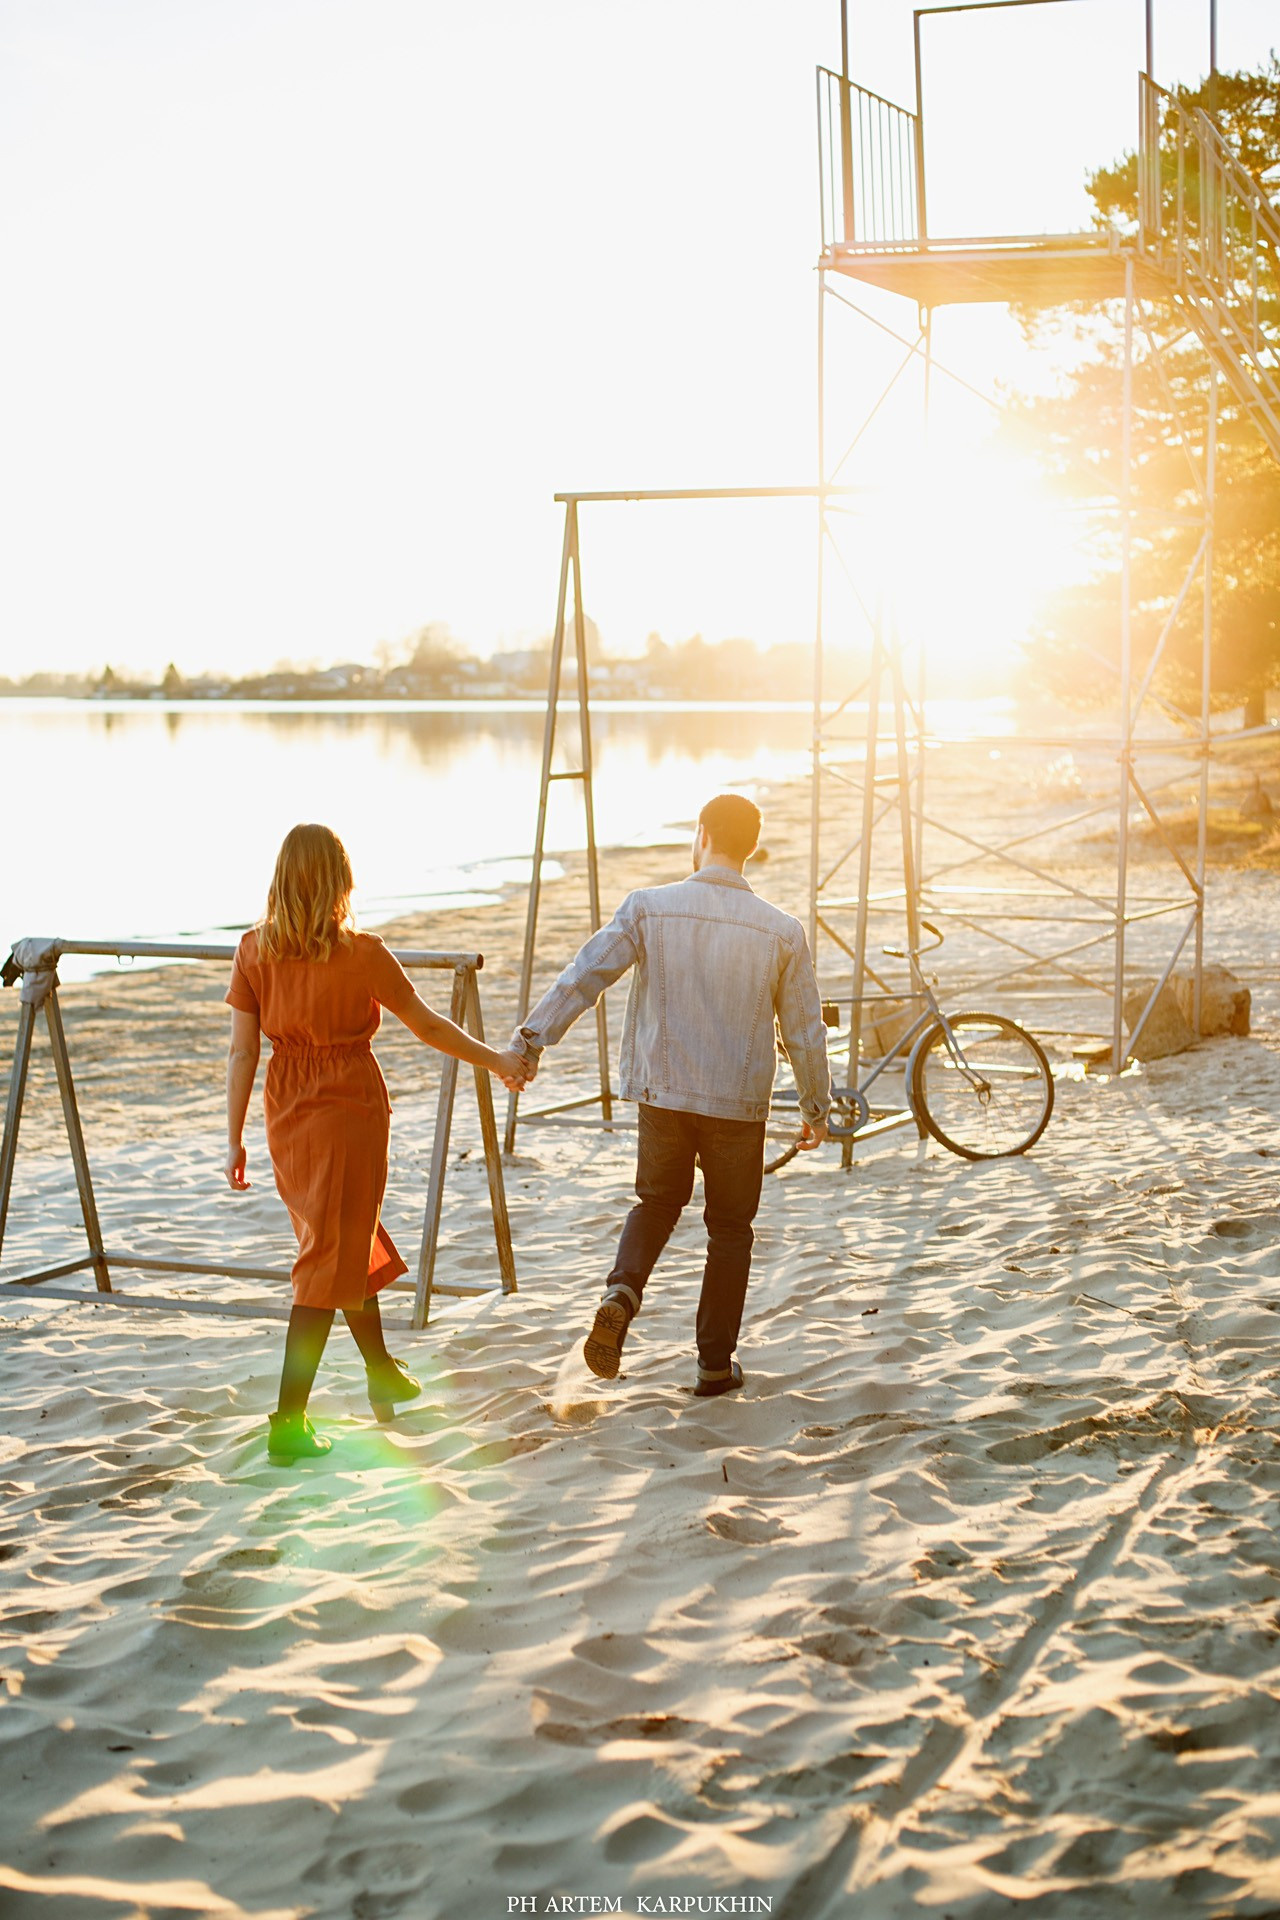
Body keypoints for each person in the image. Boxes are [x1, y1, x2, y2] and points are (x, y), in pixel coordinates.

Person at [224, 823, 529, 1462]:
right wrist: (496, 1058)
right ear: (340, 880)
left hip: (286, 1110)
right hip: (348, 1108)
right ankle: (288, 1422)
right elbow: (426, 1024)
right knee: (325, 1257)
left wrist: (235, 1138)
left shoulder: (253, 950)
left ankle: (381, 1368)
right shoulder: (361, 953)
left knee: (339, 1235)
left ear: (281, 878)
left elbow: (243, 1051)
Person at [509, 793, 831, 1396]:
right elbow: (805, 1029)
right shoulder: (781, 930)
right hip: (737, 1105)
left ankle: (621, 1295)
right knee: (730, 1229)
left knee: (656, 1204)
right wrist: (816, 1106)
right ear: (752, 848)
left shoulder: (649, 908)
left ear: (702, 833)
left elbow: (585, 976)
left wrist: (531, 1042)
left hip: (663, 1093)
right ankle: (713, 1365)